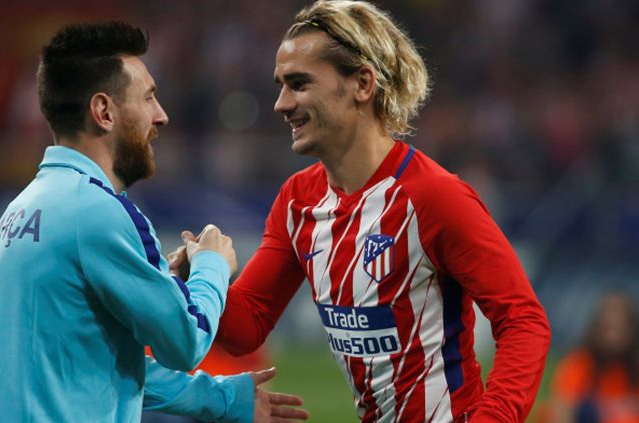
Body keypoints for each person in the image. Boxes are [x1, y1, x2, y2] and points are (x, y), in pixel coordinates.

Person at [170, 1, 550, 421]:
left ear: (362, 85)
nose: (280, 103)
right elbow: (248, 326)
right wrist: (202, 273)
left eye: (298, 83)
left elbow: (524, 321)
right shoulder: (298, 201)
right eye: (281, 85)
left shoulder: (436, 198)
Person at [0, 21, 308, 423]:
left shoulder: (21, 210)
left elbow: (99, 361)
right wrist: (212, 265)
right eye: (147, 97)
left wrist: (222, 398)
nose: (160, 116)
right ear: (104, 111)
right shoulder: (97, 210)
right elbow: (187, 339)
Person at [548, 294, 639, 423]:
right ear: (596, 328)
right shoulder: (580, 363)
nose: (613, 337)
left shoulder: (634, 366)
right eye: (608, 328)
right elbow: (562, 411)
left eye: (620, 328)